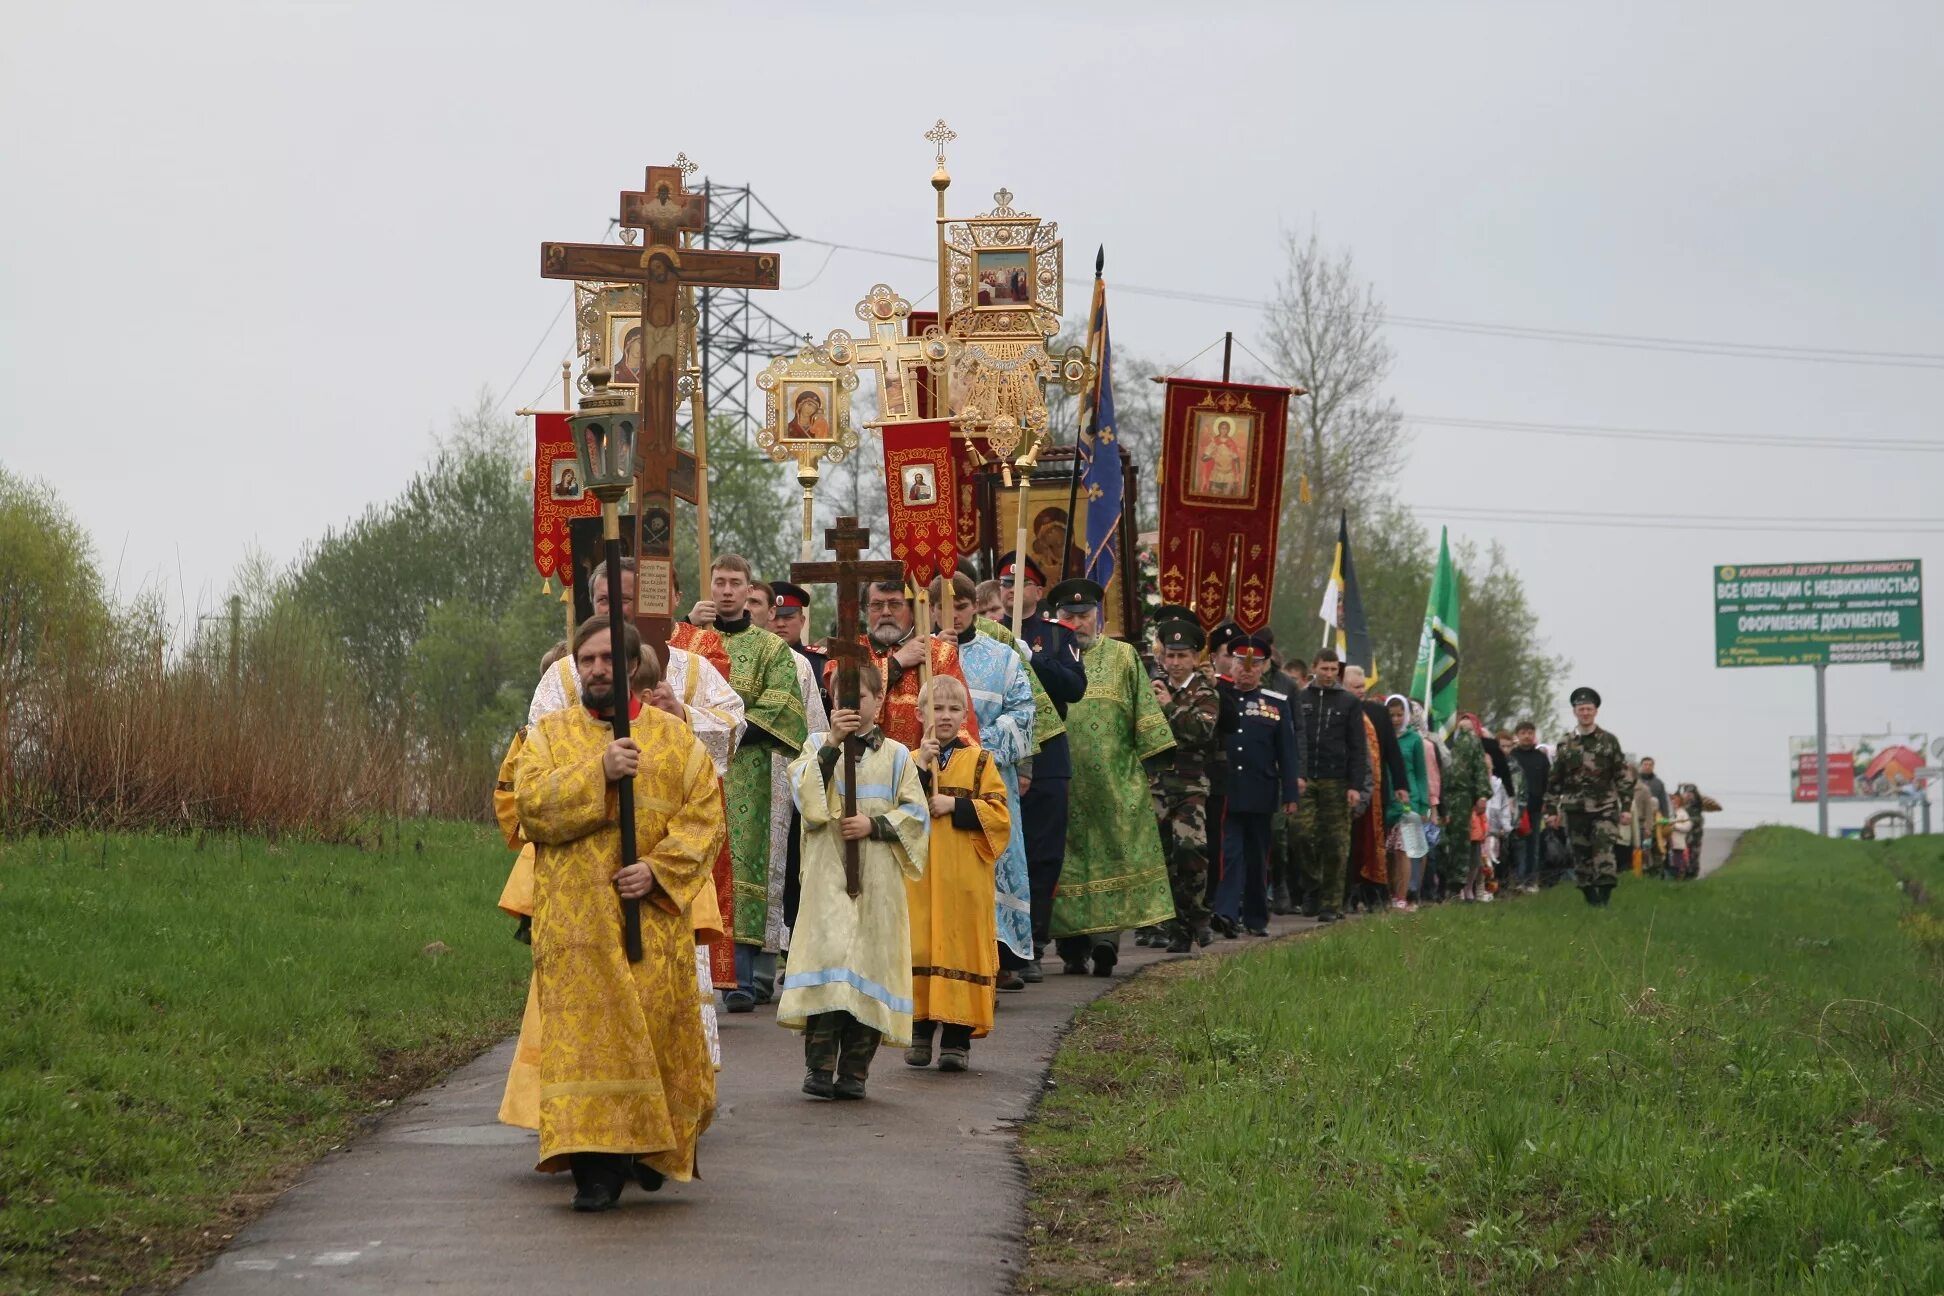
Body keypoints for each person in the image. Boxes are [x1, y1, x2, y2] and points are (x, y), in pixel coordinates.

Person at [512, 616, 723, 1211]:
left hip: (649, 925)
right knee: (586, 1050)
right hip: (575, 932)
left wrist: (657, 869)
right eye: (586, 661)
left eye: (607, 659)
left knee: (652, 1040)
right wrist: (598, 773)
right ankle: (595, 1175)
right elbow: (530, 809)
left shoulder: (675, 740)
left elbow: (706, 820)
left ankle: (646, 1149)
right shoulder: (549, 736)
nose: (597, 670)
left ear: (632, 666)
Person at [522, 558, 746, 993]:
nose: (614, 611)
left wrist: (682, 714)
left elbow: (731, 731)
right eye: (605, 600)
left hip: (657, 886)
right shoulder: (566, 673)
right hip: (580, 890)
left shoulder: (692, 667)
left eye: (625, 600)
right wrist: (597, 769)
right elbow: (531, 780)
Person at [778, 666, 929, 1101]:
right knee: (830, 968)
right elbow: (808, 802)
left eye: (859, 697)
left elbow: (917, 817)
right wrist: (830, 745)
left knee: (870, 968)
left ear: (879, 701)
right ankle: (819, 1067)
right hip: (828, 879)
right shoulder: (813, 746)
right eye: (840, 699)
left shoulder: (900, 755)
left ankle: (856, 1071)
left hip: (878, 882)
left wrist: (875, 824)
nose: (849, 706)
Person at [678, 554, 811, 1010]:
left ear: (750, 589)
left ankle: (745, 974)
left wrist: (725, 733)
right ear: (710, 587)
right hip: (692, 769)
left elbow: (779, 707)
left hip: (748, 773)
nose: (728, 590)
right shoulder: (688, 641)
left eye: (736, 582)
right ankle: (695, 968)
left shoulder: (771, 649)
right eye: (720, 582)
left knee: (747, 864)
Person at [1047, 578, 1177, 975]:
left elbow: (1144, 710)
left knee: (1115, 859)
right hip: (1062, 784)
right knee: (1063, 864)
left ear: (1097, 617)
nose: (1077, 623)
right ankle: (1072, 949)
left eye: (1084, 616)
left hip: (1115, 784)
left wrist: (1152, 763)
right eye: (1069, 617)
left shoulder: (1122, 656)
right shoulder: (1045, 657)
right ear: (1056, 618)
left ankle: (1106, 944)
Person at [932, 572, 1038, 987]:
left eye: (961, 606)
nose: (954, 614)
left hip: (990, 781)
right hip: (937, 782)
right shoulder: (923, 654)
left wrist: (972, 745)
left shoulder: (1003, 657)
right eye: (946, 606)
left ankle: (1003, 956)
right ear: (933, 608)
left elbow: (1025, 716)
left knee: (997, 857)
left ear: (974, 606)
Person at [906, 676, 1011, 1072]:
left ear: (965, 715)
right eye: (936, 708)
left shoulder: (980, 761)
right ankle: (919, 1030)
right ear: (920, 714)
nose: (945, 717)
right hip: (921, 875)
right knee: (921, 945)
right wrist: (919, 769)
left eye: (953, 709)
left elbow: (1000, 816)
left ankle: (956, 1038)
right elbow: (895, 807)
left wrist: (954, 805)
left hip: (964, 876)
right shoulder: (910, 760)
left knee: (959, 945)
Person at [995, 552, 1087, 980]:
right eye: (1004, 585)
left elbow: (1074, 687)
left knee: (1043, 853)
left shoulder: (1055, 635)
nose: (1012, 592)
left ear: (1037, 591)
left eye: (1020, 585)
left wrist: (1032, 659)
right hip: (1001, 753)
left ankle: (1033, 941)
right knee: (1003, 849)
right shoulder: (987, 631)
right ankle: (1004, 948)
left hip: (1047, 753)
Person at [1210, 633, 1302, 938]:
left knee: (1258, 856)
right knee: (1230, 852)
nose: (1246, 670)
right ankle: (1225, 912)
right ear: (1232, 663)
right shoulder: (1219, 695)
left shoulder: (1275, 703)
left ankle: (1255, 917)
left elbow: (1286, 751)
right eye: (1240, 663)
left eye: (1254, 665)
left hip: (1261, 789)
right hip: (1227, 790)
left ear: (1263, 668)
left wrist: (1291, 793)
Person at [1149, 614, 1222, 953]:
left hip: (1191, 784)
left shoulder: (1205, 692)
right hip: (1156, 783)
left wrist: (1169, 708)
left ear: (1195, 658)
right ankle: (1175, 927)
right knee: (1162, 856)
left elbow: (1200, 731)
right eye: (1170, 656)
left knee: (1190, 849)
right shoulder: (1152, 688)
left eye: (1182, 656)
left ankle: (1197, 915)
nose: (1175, 663)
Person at [1293, 647, 1370, 923]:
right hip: (1307, 778)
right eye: (1324, 668)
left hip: (1338, 780)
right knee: (1301, 833)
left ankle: (1331, 902)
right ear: (1314, 667)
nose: (1328, 674)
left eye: (1333, 669)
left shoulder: (1348, 702)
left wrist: (1355, 786)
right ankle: (1313, 884)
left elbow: (1358, 747)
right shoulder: (1301, 698)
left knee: (1337, 843)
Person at [1544, 686, 1635, 906]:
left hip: (1604, 806)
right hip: (1575, 809)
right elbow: (1555, 779)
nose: (1585, 713)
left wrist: (1625, 808)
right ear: (1575, 712)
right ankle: (1591, 901)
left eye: (1589, 709)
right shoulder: (1565, 744)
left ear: (1595, 712)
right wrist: (1551, 810)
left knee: (1603, 850)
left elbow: (1622, 775)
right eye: (1581, 709)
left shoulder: (1608, 741)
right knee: (1581, 856)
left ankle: (1604, 897)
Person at [1343, 665, 1408, 913]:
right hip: (1347, 785)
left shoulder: (1378, 713)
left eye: (1363, 687)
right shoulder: (1340, 707)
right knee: (1349, 843)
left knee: (1374, 842)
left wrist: (1401, 785)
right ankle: (1347, 893)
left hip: (1377, 790)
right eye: (1355, 687)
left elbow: (1392, 750)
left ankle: (1373, 893)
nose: (1360, 692)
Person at [1383, 695, 1430, 911]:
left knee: (1404, 849)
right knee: (1388, 850)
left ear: (1407, 715)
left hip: (1407, 800)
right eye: (1391, 715)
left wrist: (1423, 804)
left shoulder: (1414, 740)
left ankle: (1403, 896)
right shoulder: (1381, 737)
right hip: (1385, 799)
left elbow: (1421, 774)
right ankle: (1391, 891)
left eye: (1399, 714)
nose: (1395, 719)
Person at [1506, 720, 1550, 894]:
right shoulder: (1511, 757)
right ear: (1517, 735)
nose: (1527, 736)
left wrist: (1547, 801)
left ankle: (1531, 881)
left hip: (1535, 807)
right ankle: (1516, 879)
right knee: (1516, 845)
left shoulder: (1541, 757)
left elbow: (1548, 781)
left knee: (1534, 845)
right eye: (1523, 732)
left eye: (1530, 732)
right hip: (1514, 808)